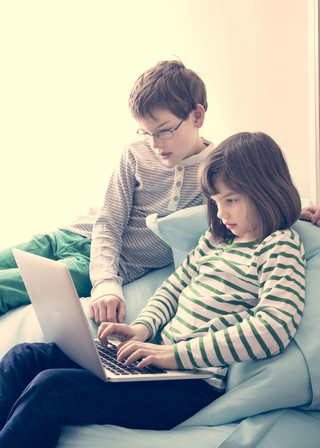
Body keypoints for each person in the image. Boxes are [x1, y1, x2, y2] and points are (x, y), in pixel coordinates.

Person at [0, 131, 306, 448]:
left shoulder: (278, 246)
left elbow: (275, 326)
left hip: (190, 385)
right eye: (215, 202)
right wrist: (142, 329)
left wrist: (175, 355)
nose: (220, 214)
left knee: (53, 389)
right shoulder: (216, 241)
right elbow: (172, 288)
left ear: (265, 192)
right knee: (25, 356)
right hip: (157, 361)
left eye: (231, 201)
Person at [0, 60, 215, 317]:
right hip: (70, 235)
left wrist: (105, 283)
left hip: (95, 265)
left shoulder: (218, 174)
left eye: (164, 131)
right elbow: (109, 221)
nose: (155, 144)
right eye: (147, 133)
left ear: (197, 116)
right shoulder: (135, 153)